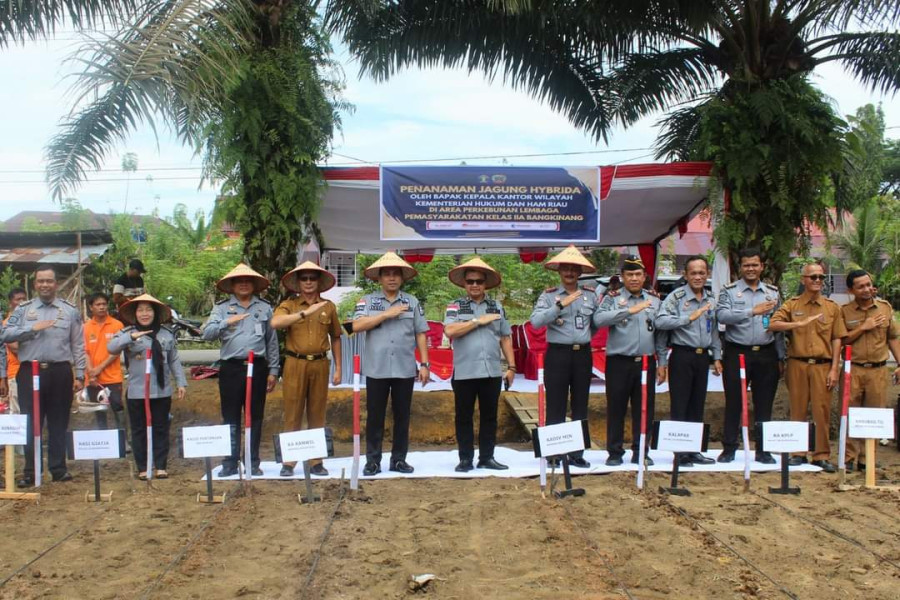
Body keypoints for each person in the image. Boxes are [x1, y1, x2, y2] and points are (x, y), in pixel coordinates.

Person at [0, 267, 85, 485]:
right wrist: (31, 329)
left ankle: (58, 468)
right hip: (30, 371)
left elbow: (78, 344)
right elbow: (5, 334)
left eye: (49, 281)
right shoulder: (22, 310)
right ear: (34, 285)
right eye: (40, 281)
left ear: (56, 284)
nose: (45, 285)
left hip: (60, 372)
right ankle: (31, 470)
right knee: (31, 422)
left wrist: (81, 374)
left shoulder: (69, 311)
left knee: (58, 420)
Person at [353, 252, 430, 476]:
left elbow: (421, 334)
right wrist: (386, 315)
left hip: (405, 368)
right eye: (387, 274)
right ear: (379, 279)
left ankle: (398, 460)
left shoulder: (411, 302)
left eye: (396, 274)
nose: (392, 278)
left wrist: (424, 364)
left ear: (402, 278)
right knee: (375, 416)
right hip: (376, 368)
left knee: (402, 416)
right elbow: (355, 326)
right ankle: (373, 461)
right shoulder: (367, 301)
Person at [201, 263, 278, 477]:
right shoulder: (222, 308)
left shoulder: (264, 308)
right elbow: (206, 334)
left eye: (247, 281)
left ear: (253, 285)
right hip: (232, 369)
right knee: (230, 415)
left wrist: (273, 370)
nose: (243, 284)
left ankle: (252, 461)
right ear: (232, 285)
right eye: (239, 281)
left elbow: (272, 341)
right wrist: (226, 322)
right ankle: (230, 461)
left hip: (258, 368)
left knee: (255, 416)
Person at [769, 262, 847, 472]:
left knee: (822, 410)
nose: (817, 281)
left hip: (823, 365)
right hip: (798, 364)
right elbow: (773, 324)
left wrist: (834, 368)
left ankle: (821, 455)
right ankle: (798, 452)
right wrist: (797, 325)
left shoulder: (832, 308)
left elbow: (837, 339)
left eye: (821, 277)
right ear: (803, 280)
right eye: (813, 277)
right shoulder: (792, 305)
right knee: (798, 409)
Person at [530, 245, 600, 468]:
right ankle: (554, 453)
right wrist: (560, 306)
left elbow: (595, 325)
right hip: (558, 354)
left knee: (581, 403)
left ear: (580, 273)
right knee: (556, 404)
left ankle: (577, 453)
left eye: (573, 269)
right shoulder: (549, 296)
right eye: (565, 269)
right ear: (558, 272)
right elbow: (536, 322)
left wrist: (583, 336)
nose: (569, 273)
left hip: (582, 354)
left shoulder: (590, 295)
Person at [594, 255, 667, 466]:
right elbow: (598, 320)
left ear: (645, 276)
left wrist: (662, 362)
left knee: (644, 408)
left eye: (638, 274)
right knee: (616, 407)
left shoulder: (654, 300)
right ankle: (615, 452)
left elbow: (660, 334)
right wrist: (627, 311)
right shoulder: (613, 298)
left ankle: (641, 450)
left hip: (645, 362)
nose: (634, 278)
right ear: (623, 277)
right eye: (629, 274)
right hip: (619, 362)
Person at [272, 261, 342, 477]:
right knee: (292, 412)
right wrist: (305, 312)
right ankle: (289, 461)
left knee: (317, 412)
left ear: (319, 281)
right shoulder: (289, 305)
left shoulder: (329, 306)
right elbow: (276, 323)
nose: (309, 282)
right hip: (295, 363)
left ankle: (316, 461)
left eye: (313, 278)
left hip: (320, 363)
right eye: (305, 278)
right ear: (298, 283)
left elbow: (336, 337)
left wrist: (339, 367)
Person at [444, 257, 515, 472]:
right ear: (464, 284)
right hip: (465, 371)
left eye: (479, 281)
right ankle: (465, 459)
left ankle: (487, 457)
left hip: (491, 371)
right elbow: (450, 331)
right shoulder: (455, 306)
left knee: (489, 417)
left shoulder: (496, 307)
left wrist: (512, 367)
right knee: (464, 417)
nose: (475, 285)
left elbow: (505, 338)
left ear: (485, 284)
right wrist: (476, 321)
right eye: (470, 281)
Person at [715, 248, 784, 464]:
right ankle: (729, 448)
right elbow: (722, 316)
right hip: (738, 352)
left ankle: (763, 450)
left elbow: (778, 326)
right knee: (734, 401)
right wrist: (751, 311)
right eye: (746, 265)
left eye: (755, 265)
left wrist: (781, 357)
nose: (751, 269)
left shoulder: (772, 293)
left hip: (766, 353)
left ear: (761, 267)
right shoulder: (729, 291)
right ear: (740, 268)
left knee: (764, 403)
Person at [108, 294, 186, 479]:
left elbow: (174, 359)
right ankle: (143, 467)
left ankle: (160, 466)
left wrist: (181, 382)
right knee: (139, 430)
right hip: (137, 392)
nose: (144, 314)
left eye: (148, 309)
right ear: (135, 314)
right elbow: (111, 348)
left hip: (161, 391)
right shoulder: (128, 333)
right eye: (140, 310)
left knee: (161, 428)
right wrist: (130, 338)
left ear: (156, 313)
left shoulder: (166, 334)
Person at [655, 255, 721, 466]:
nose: (698, 277)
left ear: (707, 274)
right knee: (681, 404)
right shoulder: (676, 297)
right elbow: (661, 322)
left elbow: (714, 333)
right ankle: (680, 451)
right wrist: (687, 318)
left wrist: (717, 356)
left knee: (697, 404)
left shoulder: (710, 299)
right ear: (685, 275)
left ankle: (694, 450)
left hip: (703, 358)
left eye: (702, 273)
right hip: (682, 356)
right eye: (693, 273)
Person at [840, 269, 900, 471]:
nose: (867, 289)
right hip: (853, 369)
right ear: (851, 290)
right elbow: (842, 341)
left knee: (875, 415)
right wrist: (863, 327)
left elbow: (892, 338)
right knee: (850, 414)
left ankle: (867, 459)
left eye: (868, 284)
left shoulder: (884, 308)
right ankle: (848, 458)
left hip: (878, 370)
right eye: (861, 286)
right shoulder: (845, 311)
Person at [83, 292, 125, 430]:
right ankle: (103, 439)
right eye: (98, 304)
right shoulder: (86, 327)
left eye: (104, 304)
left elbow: (116, 351)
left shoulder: (117, 325)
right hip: (93, 378)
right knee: (98, 409)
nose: (102, 307)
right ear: (91, 307)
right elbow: (85, 352)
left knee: (117, 406)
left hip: (113, 377)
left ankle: (122, 439)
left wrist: (99, 368)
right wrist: (92, 373)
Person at [2, 288, 27, 415]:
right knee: (17, 412)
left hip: (34, 372)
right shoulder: (7, 324)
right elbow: (15, 348)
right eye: (18, 299)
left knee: (33, 409)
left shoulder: (30, 322)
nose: (22, 302)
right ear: (10, 303)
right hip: (16, 373)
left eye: (24, 299)